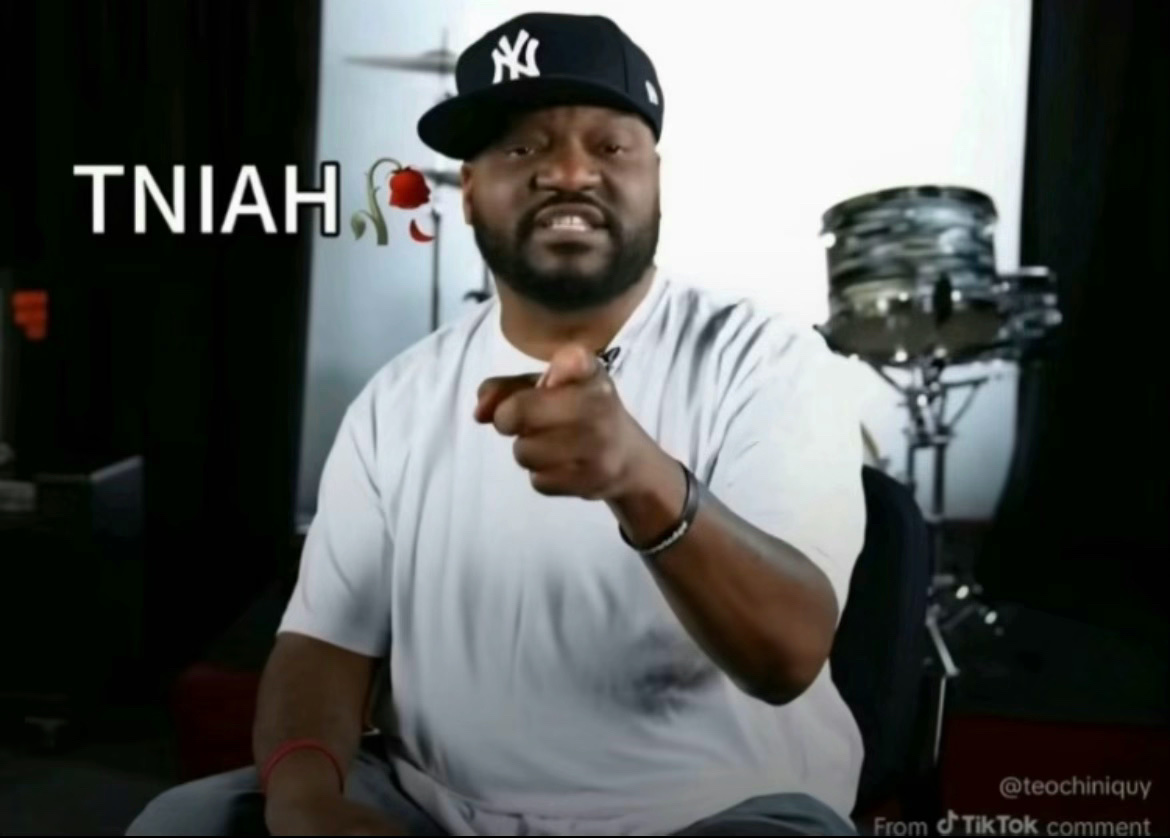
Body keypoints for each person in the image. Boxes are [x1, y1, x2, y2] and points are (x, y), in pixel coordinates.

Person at [127, 12, 866, 837]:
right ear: (470, 189)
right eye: (522, 149)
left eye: (609, 146)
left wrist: (642, 481)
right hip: (431, 805)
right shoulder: (396, 399)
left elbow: (786, 657)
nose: (569, 172)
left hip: (712, 813)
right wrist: (306, 801)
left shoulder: (767, 360)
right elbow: (323, 644)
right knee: (181, 824)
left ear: (655, 177)